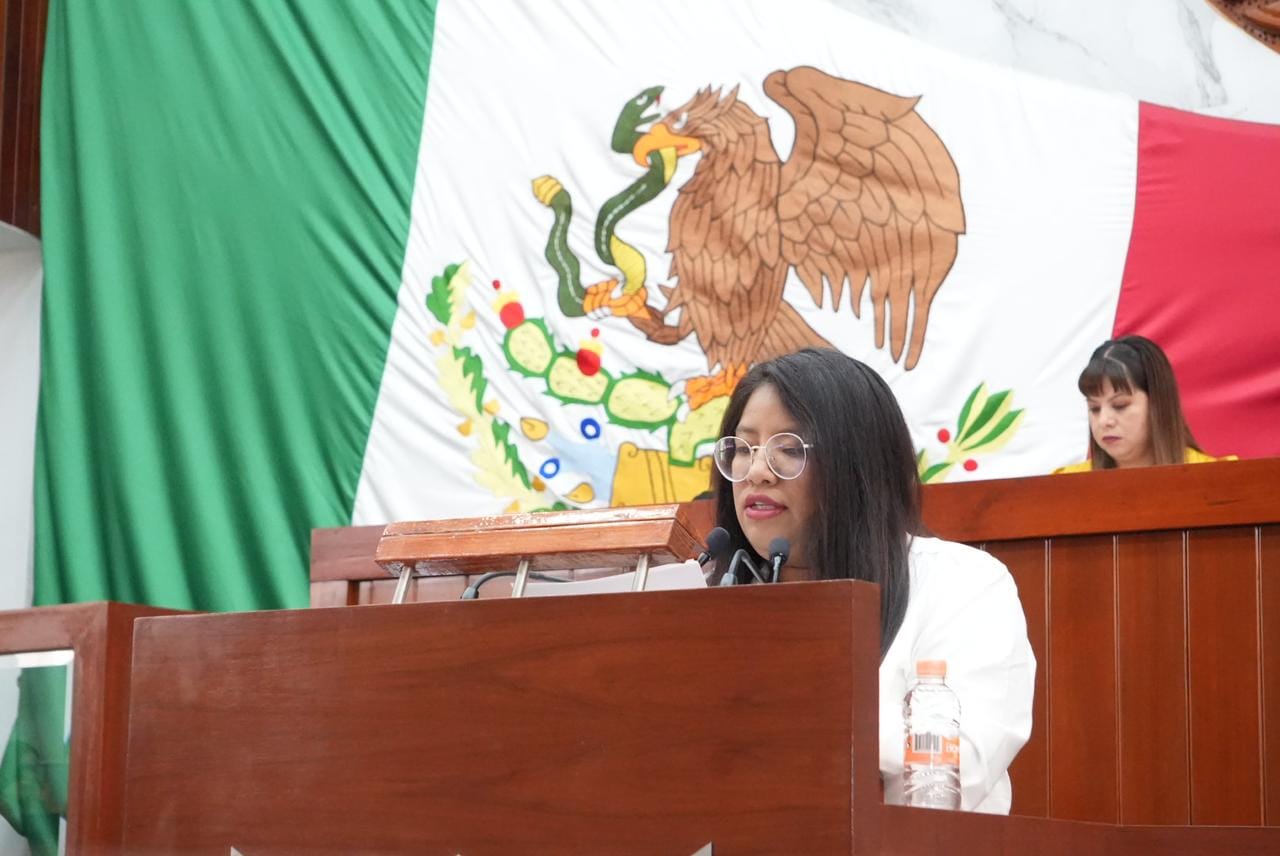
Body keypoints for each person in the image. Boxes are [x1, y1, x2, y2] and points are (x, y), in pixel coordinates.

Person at [710, 347, 1034, 814]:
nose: (757, 472)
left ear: (857, 465)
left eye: (789, 449)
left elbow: (957, 771)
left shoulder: (962, 584)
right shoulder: (710, 597)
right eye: (744, 449)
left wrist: (785, 710)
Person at [1056, 335, 1235, 473]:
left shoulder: (1220, 478)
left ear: (1157, 405)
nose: (1104, 421)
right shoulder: (1065, 486)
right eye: (1094, 408)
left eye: (1120, 405)